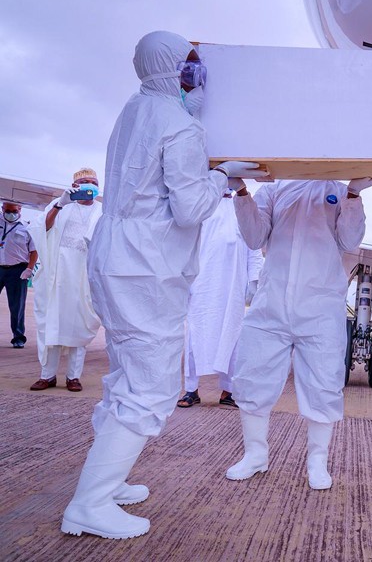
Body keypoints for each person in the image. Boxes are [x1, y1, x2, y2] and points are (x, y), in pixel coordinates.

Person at [61, 30, 267, 541]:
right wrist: (222, 176)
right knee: (151, 385)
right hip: (146, 267)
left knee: (125, 375)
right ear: (179, 72)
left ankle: (106, 482)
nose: (196, 80)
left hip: (114, 256)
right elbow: (193, 207)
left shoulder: (133, 110)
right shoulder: (180, 126)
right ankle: (88, 503)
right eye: (191, 70)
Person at [225, 177, 372, 490]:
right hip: (271, 303)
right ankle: (255, 454)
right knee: (252, 376)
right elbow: (255, 238)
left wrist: (354, 193)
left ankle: (317, 462)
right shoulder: (273, 189)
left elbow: (351, 241)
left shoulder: (337, 191)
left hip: (321, 306)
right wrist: (242, 192)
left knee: (324, 384)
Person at [178, 192, 263, 409]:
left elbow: (254, 248)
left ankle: (229, 391)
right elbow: (187, 245)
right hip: (203, 283)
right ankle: (191, 390)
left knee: (233, 338)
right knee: (195, 337)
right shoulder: (203, 205)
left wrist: (254, 281)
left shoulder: (243, 208)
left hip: (233, 286)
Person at [29, 168, 103, 392]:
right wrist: (61, 204)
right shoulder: (59, 204)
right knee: (52, 325)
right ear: (74, 186)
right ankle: (47, 376)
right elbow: (43, 228)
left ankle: (73, 377)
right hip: (57, 274)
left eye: (92, 181)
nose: (88, 184)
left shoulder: (104, 210)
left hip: (84, 276)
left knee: (78, 325)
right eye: (83, 182)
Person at [1, 201, 37, 349]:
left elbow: (34, 251)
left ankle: (18, 337)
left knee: (17, 306)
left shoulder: (28, 227)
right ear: (2, 208)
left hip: (18, 269)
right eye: (8, 210)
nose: (11, 213)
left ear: (20, 209)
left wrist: (29, 268)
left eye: (14, 211)